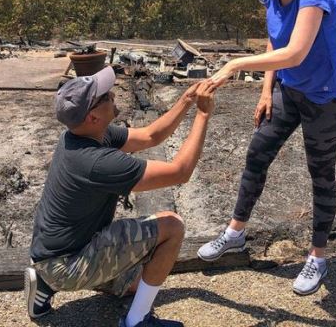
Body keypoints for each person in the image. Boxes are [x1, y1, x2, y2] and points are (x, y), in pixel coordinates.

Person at [197, 0, 336, 296]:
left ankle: (318, 255)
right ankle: (235, 233)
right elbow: (275, 37)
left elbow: (296, 51)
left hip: (326, 96)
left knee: (320, 173)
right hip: (289, 88)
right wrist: (267, 89)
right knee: (257, 153)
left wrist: (235, 65)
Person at [25, 66, 217, 327]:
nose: (113, 94)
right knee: (172, 226)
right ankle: (137, 321)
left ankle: (45, 285)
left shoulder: (82, 136)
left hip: (54, 254)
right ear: (92, 116)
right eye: (106, 96)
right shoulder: (96, 162)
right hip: (68, 264)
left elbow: (151, 136)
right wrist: (203, 115)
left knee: (139, 283)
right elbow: (180, 172)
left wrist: (186, 100)